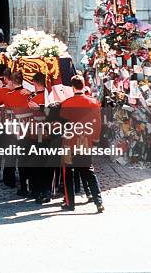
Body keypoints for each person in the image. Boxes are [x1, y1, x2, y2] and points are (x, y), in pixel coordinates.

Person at [59, 75, 104, 213]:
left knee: (68, 173)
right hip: (85, 140)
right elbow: (97, 125)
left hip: (70, 142)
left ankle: (70, 203)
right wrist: (95, 140)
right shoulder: (93, 102)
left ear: (73, 87)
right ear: (83, 85)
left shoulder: (66, 103)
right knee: (88, 171)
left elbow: (63, 125)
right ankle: (98, 202)